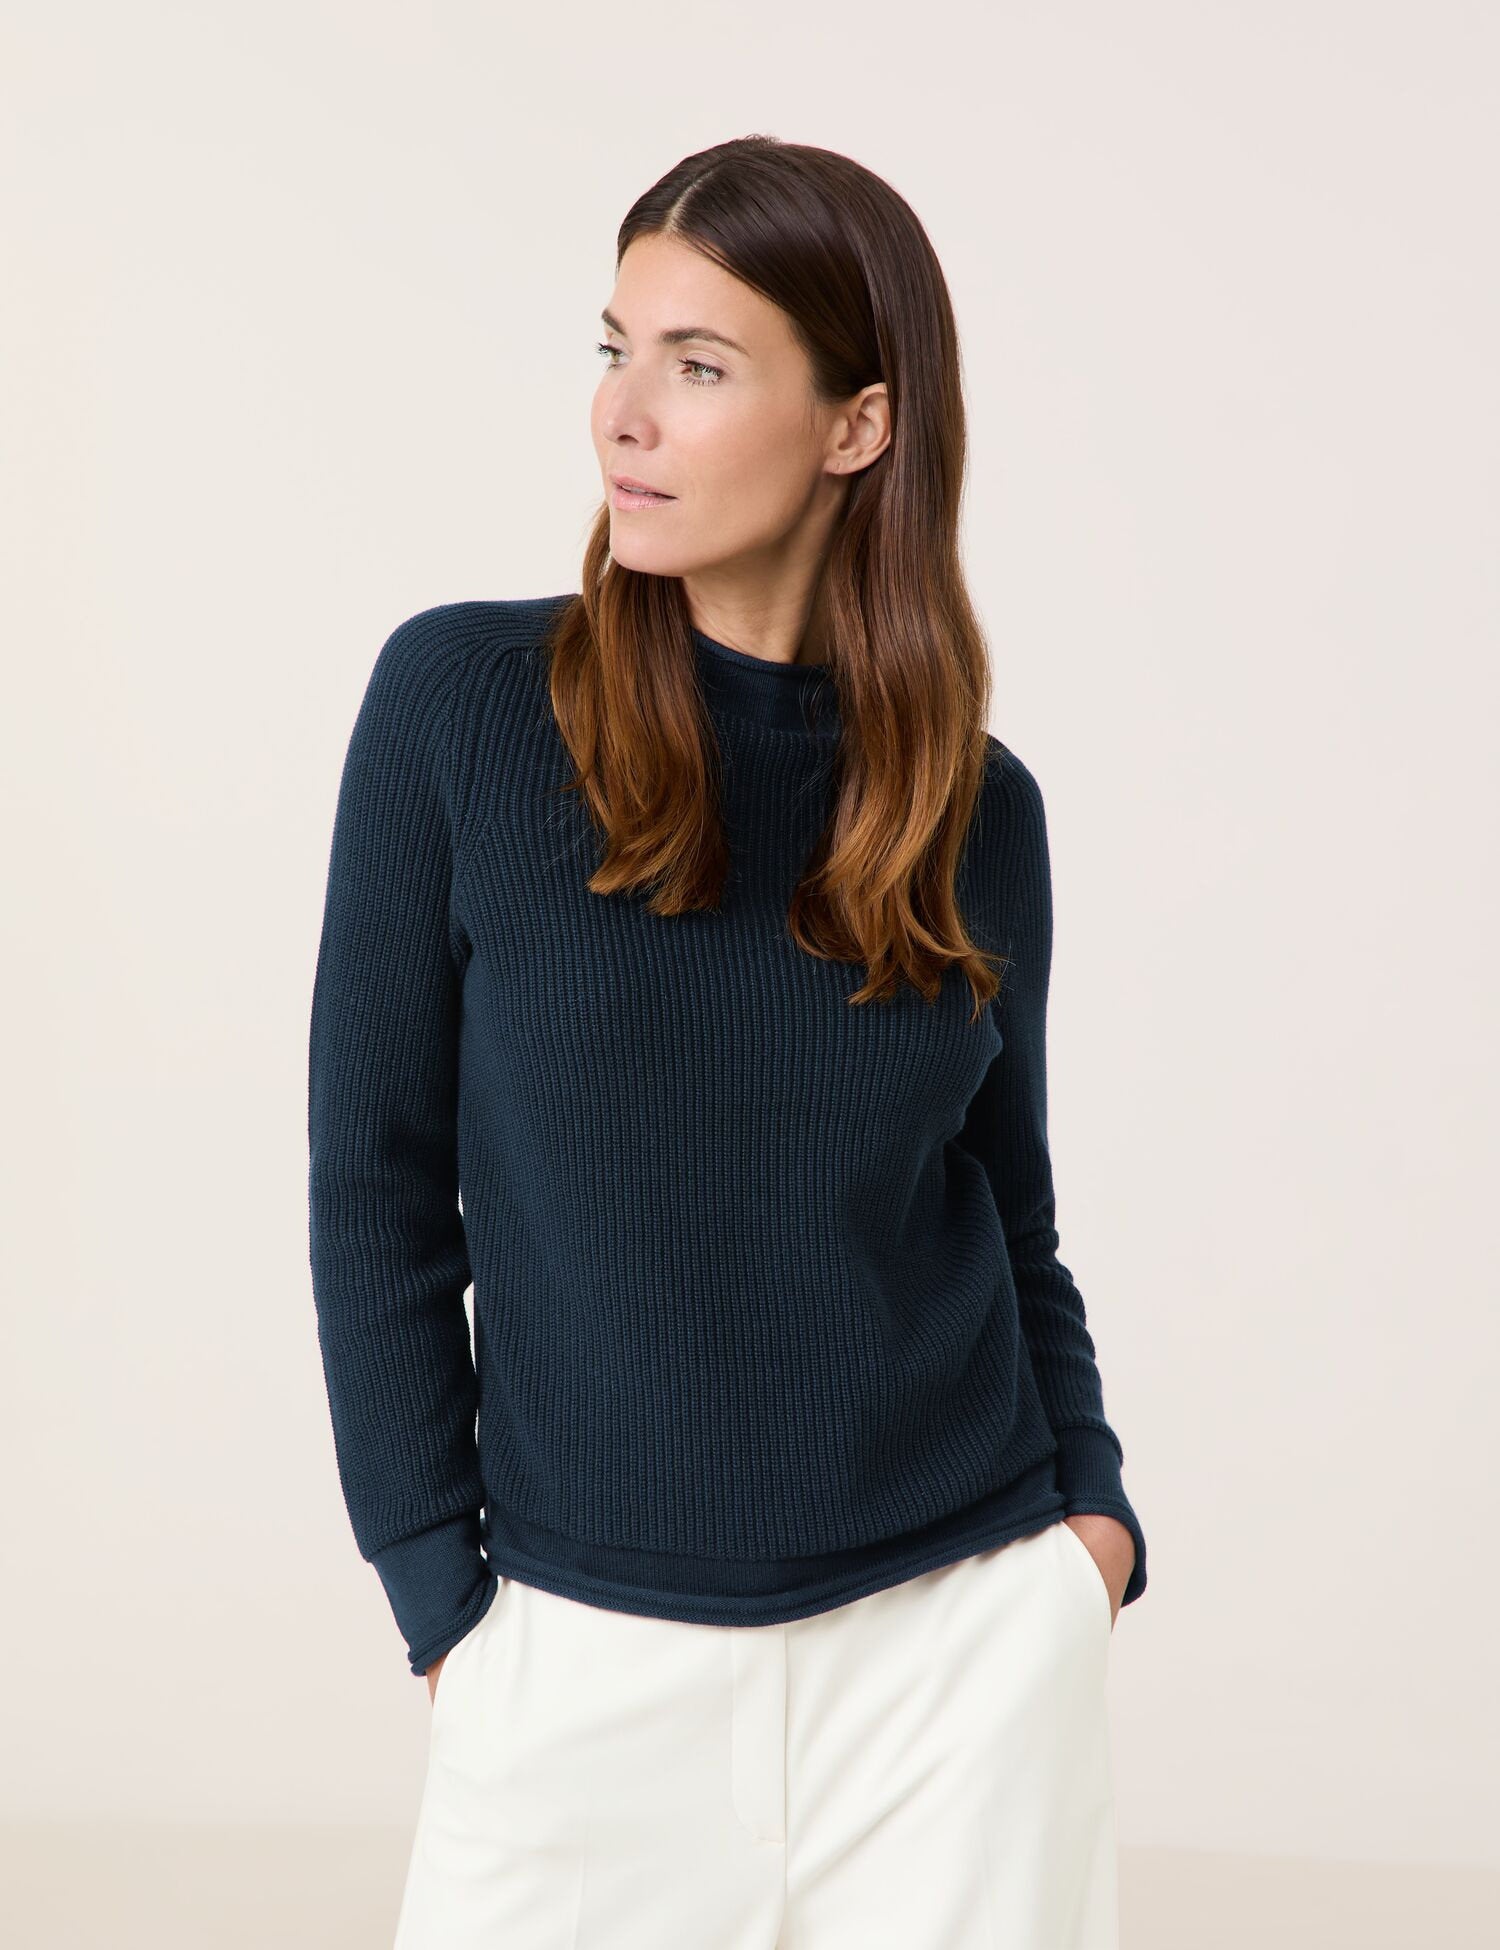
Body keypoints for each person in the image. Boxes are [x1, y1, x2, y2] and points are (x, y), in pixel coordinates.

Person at [308, 133, 1148, 1950]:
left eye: (698, 366)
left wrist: (1088, 1533)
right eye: (615, 349)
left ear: (858, 425)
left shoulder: (976, 811)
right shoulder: (462, 709)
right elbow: (375, 1185)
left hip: (954, 1666)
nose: (624, 414)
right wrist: (444, 1602)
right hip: (578, 1664)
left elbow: (1009, 1212)